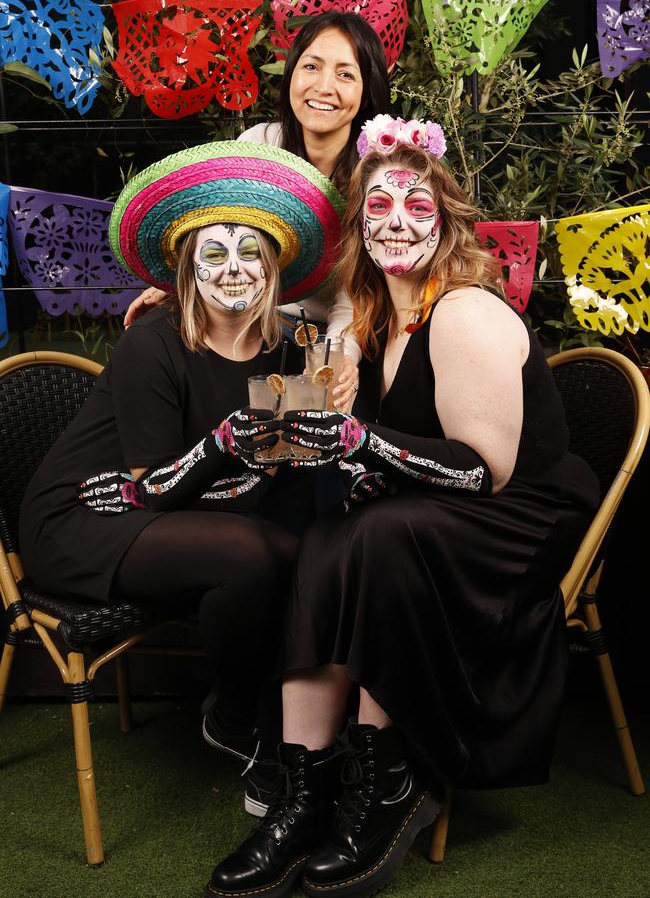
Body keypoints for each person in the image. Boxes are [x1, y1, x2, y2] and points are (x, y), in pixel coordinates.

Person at [204, 117, 600, 898]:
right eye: (376, 207)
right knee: (323, 534)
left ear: (448, 219)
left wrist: (358, 443)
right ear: (357, 226)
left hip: (519, 519)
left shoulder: (464, 312)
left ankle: (386, 785)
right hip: (443, 509)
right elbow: (374, 426)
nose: (395, 221)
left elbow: (481, 474)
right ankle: (305, 789)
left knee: (380, 533)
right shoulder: (379, 315)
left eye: (416, 205)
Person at [18, 140, 345, 761]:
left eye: (251, 253)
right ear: (187, 265)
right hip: (92, 518)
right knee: (251, 553)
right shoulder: (152, 344)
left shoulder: (289, 354)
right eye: (213, 254)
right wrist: (231, 445)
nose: (233, 270)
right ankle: (235, 716)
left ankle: (303, 731)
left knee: (316, 547)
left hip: (189, 511)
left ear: (274, 268)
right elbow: (154, 490)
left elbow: (281, 473)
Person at [124, 10, 393, 401]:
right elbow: (214, 228)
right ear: (291, 77)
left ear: (367, 90)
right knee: (161, 333)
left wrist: (337, 355)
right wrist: (170, 285)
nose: (324, 87)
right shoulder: (262, 145)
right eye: (312, 67)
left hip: (348, 333)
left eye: (346, 74)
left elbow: (354, 297)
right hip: (257, 323)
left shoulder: (375, 174)